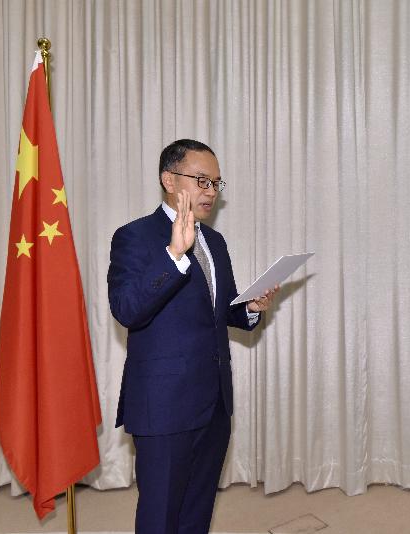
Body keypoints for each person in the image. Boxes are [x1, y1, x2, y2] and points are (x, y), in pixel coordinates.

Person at [108, 139, 278, 534]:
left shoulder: (214, 242)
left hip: (215, 401)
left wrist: (250, 308)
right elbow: (127, 309)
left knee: (197, 513)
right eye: (201, 180)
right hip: (164, 406)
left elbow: (217, 312)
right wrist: (174, 255)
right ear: (169, 179)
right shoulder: (134, 237)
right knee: (160, 514)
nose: (211, 193)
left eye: (216, 184)